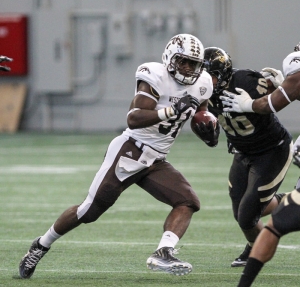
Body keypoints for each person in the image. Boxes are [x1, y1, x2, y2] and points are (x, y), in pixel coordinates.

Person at [18, 33, 220, 279]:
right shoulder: (154, 76)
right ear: (170, 58)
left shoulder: (203, 83)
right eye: (183, 61)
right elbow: (134, 119)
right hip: (130, 150)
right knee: (88, 212)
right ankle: (41, 245)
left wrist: (207, 129)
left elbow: (200, 112)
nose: (188, 68)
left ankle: (163, 252)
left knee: (188, 201)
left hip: (156, 160)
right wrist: (169, 110)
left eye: (194, 64)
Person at [201, 47, 293, 268]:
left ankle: (258, 252)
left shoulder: (245, 81)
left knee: (247, 215)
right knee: (241, 208)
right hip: (243, 152)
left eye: (210, 75)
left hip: (272, 150)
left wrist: (274, 87)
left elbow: (274, 100)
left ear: (223, 73)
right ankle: (292, 203)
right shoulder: (201, 89)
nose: (204, 80)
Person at [219, 42, 300, 286]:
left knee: (253, 215)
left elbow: (271, 104)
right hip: (246, 152)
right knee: (255, 213)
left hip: (272, 149)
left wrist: (248, 105)